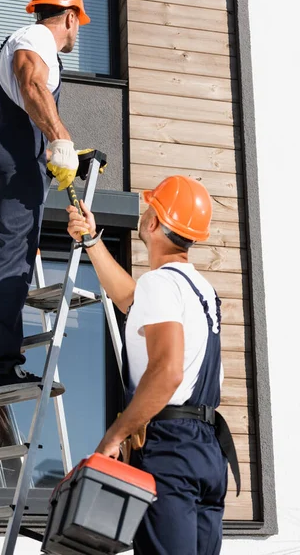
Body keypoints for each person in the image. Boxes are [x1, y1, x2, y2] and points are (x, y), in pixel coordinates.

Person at [66, 175, 240, 555]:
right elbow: (133, 301)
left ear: (155, 223)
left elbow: (167, 372)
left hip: (170, 450)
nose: (143, 214)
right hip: (207, 452)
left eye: (149, 208)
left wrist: (114, 435)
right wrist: (92, 241)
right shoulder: (198, 289)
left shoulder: (159, 284)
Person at [0, 0, 90, 397]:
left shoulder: (22, 38)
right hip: (15, 159)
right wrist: (59, 138)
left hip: (2, 155)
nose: (77, 34)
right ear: (70, 18)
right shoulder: (37, 37)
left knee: (14, 248)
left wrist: (56, 147)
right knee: (15, 256)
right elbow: (32, 83)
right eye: (79, 25)